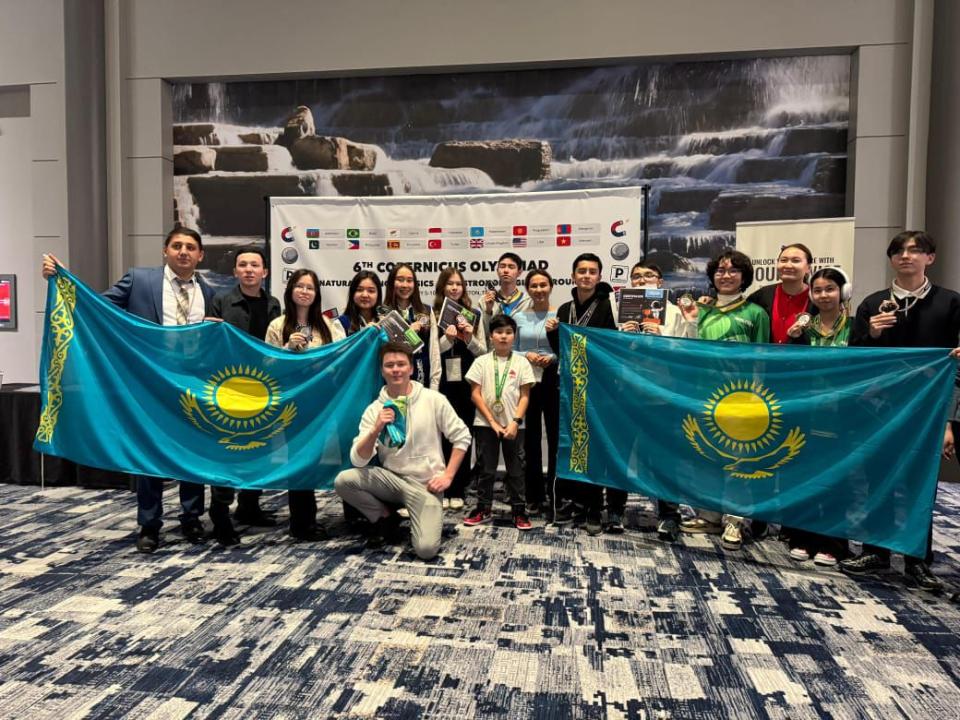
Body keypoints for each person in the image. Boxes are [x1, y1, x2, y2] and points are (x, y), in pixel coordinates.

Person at [41, 227, 215, 554]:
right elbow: (95, 306)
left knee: (192, 450)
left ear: (200, 255)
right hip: (147, 384)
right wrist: (63, 281)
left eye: (191, 247)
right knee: (149, 453)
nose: (183, 252)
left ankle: (191, 518)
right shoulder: (139, 280)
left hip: (191, 384)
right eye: (177, 245)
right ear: (165, 250)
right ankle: (149, 524)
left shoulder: (209, 290)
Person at [839, 231, 960, 592]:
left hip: (928, 411)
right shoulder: (873, 304)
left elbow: (955, 367)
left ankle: (916, 559)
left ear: (930, 258)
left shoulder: (951, 303)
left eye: (915, 250)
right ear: (891, 259)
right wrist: (872, 335)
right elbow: (854, 360)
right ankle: (875, 551)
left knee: (919, 484)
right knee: (876, 478)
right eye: (899, 251)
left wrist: (949, 421)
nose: (906, 256)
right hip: (880, 409)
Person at [334, 342, 472, 560]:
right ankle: (385, 517)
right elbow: (358, 459)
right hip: (392, 481)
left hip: (426, 486)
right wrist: (375, 429)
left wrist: (448, 475)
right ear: (382, 371)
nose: (396, 370)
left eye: (401, 364)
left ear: (411, 368)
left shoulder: (433, 399)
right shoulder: (375, 408)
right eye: (389, 365)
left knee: (426, 550)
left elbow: (462, 436)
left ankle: (418, 514)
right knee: (344, 480)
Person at [680, 249, 769, 550]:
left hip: (741, 399)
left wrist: (757, 400)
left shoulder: (755, 314)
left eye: (733, 271)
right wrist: (692, 322)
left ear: (744, 277)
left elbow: (763, 360)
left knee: (739, 461)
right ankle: (708, 514)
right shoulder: (702, 310)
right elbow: (690, 350)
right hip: (704, 395)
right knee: (706, 456)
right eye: (720, 270)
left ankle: (735, 519)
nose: (726, 275)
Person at [779, 267, 854, 566]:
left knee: (837, 480)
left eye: (830, 289)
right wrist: (792, 339)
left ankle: (833, 543)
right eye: (818, 290)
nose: (824, 295)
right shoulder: (804, 328)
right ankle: (801, 537)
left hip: (842, 414)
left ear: (843, 292)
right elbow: (790, 369)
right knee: (803, 475)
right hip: (806, 413)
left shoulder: (855, 328)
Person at [265, 268, 346, 541]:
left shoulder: (329, 325)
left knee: (323, 459)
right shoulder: (277, 326)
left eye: (310, 287)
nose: (304, 291)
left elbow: (343, 358)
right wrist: (287, 350)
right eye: (299, 286)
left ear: (317, 294)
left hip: (323, 402)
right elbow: (267, 367)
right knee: (298, 461)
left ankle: (344, 514)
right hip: (293, 404)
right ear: (290, 290)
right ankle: (301, 522)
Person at [620, 261, 698, 541]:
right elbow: (610, 351)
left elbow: (688, 349)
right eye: (636, 277)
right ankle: (615, 510)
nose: (642, 281)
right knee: (620, 451)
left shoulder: (676, 312)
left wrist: (661, 337)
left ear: (660, 281)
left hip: (663, 394)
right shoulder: (621, 311)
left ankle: (669, 515)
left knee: (664, 457)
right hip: (627, 392)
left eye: (648, 276)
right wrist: (623, 337)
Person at [208, 249, 281, 542]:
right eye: (243, 265)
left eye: (255, 265)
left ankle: (249, 506)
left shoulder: (273, 304)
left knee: (258, 448)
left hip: (262, 387)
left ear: (265, 272)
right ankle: (220, 514)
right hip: (229, 387)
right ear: (235, 271)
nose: (249, 269)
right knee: (228, 452)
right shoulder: (220, 301)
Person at [547, 252, 621, 535]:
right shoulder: (565, 309)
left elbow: (613, 348)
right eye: (582, 271)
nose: (586, 276)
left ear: (599, 276)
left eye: (592, 271)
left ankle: (594, 507)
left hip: (598, 388)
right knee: (568, 445)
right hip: (569, 387)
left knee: (594, 448)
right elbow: (561, 350)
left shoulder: (609, 306)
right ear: (573, 275)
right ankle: (571, 503)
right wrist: (553, 333)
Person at [463, 314, 536, 530]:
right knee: (486, 468)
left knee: (516, 469)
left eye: (508, 332)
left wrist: (515, 421)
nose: (503, 336)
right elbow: (475, 394)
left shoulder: (521, 362)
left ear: (514, 336)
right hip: (486, 424)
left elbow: (525, 396)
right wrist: (493, 422)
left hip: (515, 425)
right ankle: (483, 507)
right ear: (490, 336)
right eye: (499, 332)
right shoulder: (481, 362)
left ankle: (519, 510)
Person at [432, 267, 486, 511]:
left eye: (458, 284)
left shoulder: (473, 315)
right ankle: (443, 486)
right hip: (441, 383)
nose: (454, 288)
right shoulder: (433, 314)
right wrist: (448, 339)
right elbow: (431, 352)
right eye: (450, 283)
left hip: (466, 384)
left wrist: (468, 337)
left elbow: (482, 352)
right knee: (440, 434)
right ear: (442, 287)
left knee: (463, 433)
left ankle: (459, 487)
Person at [513, 269, 559, 517]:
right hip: (527, 381)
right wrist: (527, 355)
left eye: (543, 285)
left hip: (553, 379)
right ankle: (533, 495)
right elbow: (510, 349)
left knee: (554, 438)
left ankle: (555, 494)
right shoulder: (519, 316)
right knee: (530, 440)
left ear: (550, 287)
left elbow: (567, 349)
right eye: (534, 286)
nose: (539, 290)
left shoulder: (560, 315)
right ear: (527, 289)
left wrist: (552, 357)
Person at [383, 263, 440, 390]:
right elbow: (384, 351)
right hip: (392, 384)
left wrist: (434, 387)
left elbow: (434, 352)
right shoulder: (383, 314)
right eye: (400, 280)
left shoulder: (426, 311)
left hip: (422, 381)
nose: (405, 285)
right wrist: (409, 334)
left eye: (409, 280)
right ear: (391, 283)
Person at [747, 243, 816, 345]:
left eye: (796, 261)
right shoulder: (761, 296)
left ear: (808, 268)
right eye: (783, 260)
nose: (788, 265)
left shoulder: (817, 299)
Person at [481, 252, 533, 325]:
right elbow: (482, 331)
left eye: (511, 267)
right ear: (497, 271)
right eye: (502, 266)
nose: (506, 270)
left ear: (519, 272)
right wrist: (488, 311)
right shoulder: (484, 300)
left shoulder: (529, 301)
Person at [338, 270, 382, 336]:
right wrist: (364, 335)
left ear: (378, 295)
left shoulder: (385, 321)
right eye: (359, 290)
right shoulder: (341, 323)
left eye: (371, 291)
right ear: (352, 293)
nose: (365, 295)